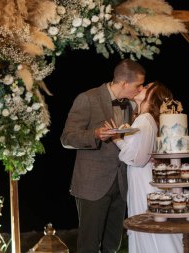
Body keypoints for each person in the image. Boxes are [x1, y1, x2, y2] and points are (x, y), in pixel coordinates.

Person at [60, 58, 146, 253]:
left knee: (113, 243)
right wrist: (95, 134)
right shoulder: (88, 98)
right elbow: (67, 138)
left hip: (122, 182)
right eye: (138, 85)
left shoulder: (133, 106)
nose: (140, 90)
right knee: (89, 245)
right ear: (124, 83)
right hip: (93, 184)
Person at [105, 81, 183, 253]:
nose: (141, 88)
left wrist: (116, 139)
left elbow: (137, 159)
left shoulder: (144, 119)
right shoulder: (147, 120)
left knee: (147, 225)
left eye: (147, 87)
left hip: (143, 179)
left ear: (152, 97)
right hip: (145, 177)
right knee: (152, 226)